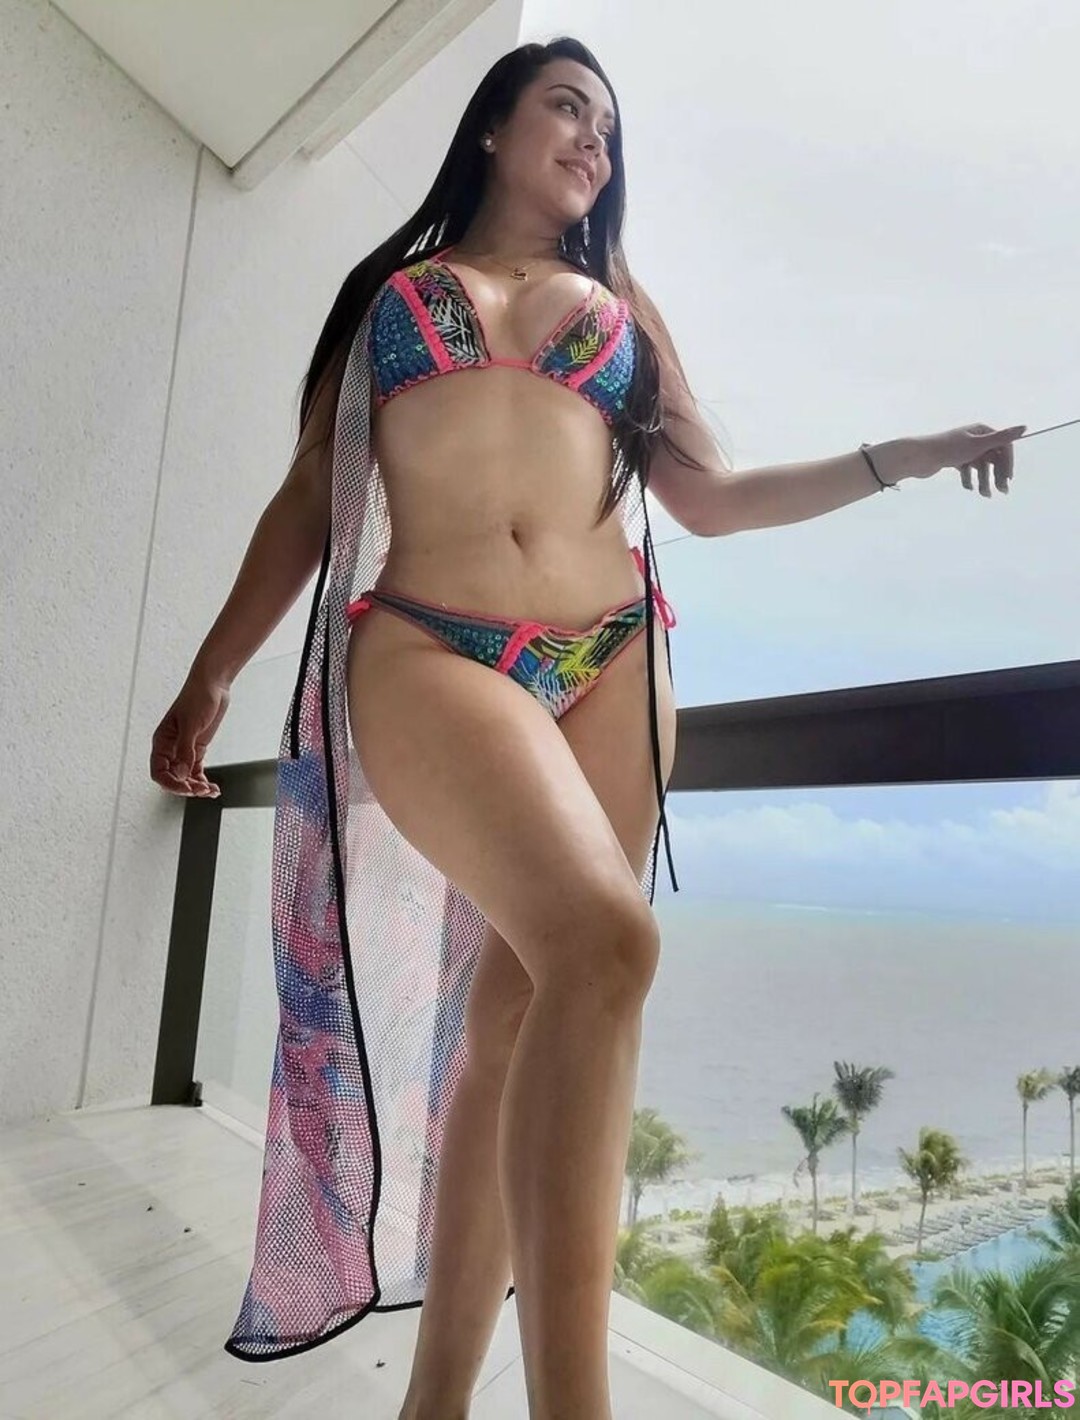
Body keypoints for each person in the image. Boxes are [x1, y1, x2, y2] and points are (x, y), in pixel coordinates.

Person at [149, 34, 1024, 1420]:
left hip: (613, 657)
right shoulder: (393, 294)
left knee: (520, 1024)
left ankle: (435, 1402)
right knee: (611, 943)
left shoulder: (622, 304)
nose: (593, 141)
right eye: (567, 108)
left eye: (609, 129)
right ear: (496, 127)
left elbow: (713, 500)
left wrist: (901, 457)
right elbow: (310, 496)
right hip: (430, 644)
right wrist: (209, 678)